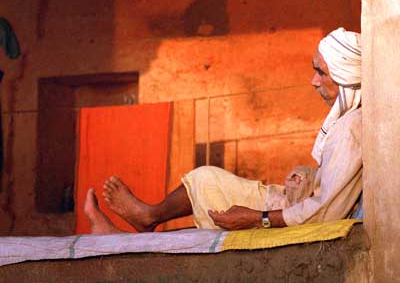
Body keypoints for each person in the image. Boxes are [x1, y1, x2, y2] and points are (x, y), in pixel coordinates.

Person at [84, 27, 363, 234]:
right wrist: (309, 176)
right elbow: (336, 186)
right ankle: (148, 217)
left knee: (218, 224)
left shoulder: (351, 128)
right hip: (293, 203)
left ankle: (125, 234)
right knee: (206, 182)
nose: (313, 81)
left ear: (344, 77)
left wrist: (258, 218)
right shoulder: (349, 121)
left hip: (298, 218)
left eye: (321, 72)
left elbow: (328, 210)